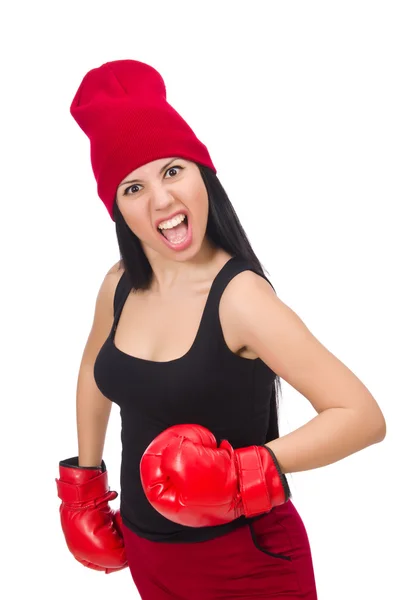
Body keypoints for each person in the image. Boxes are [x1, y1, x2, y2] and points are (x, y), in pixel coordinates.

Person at [55, 59, 386, 599]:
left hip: (246, 564)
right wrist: (84, 485)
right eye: (133, 188)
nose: (161, 200)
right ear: (116, 209)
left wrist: (244, 472)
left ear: (202, 173)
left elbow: (363, 417)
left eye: (171, 171)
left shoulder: (241, 298)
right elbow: (94, 373)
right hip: (147, 556)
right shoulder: (117, 286)